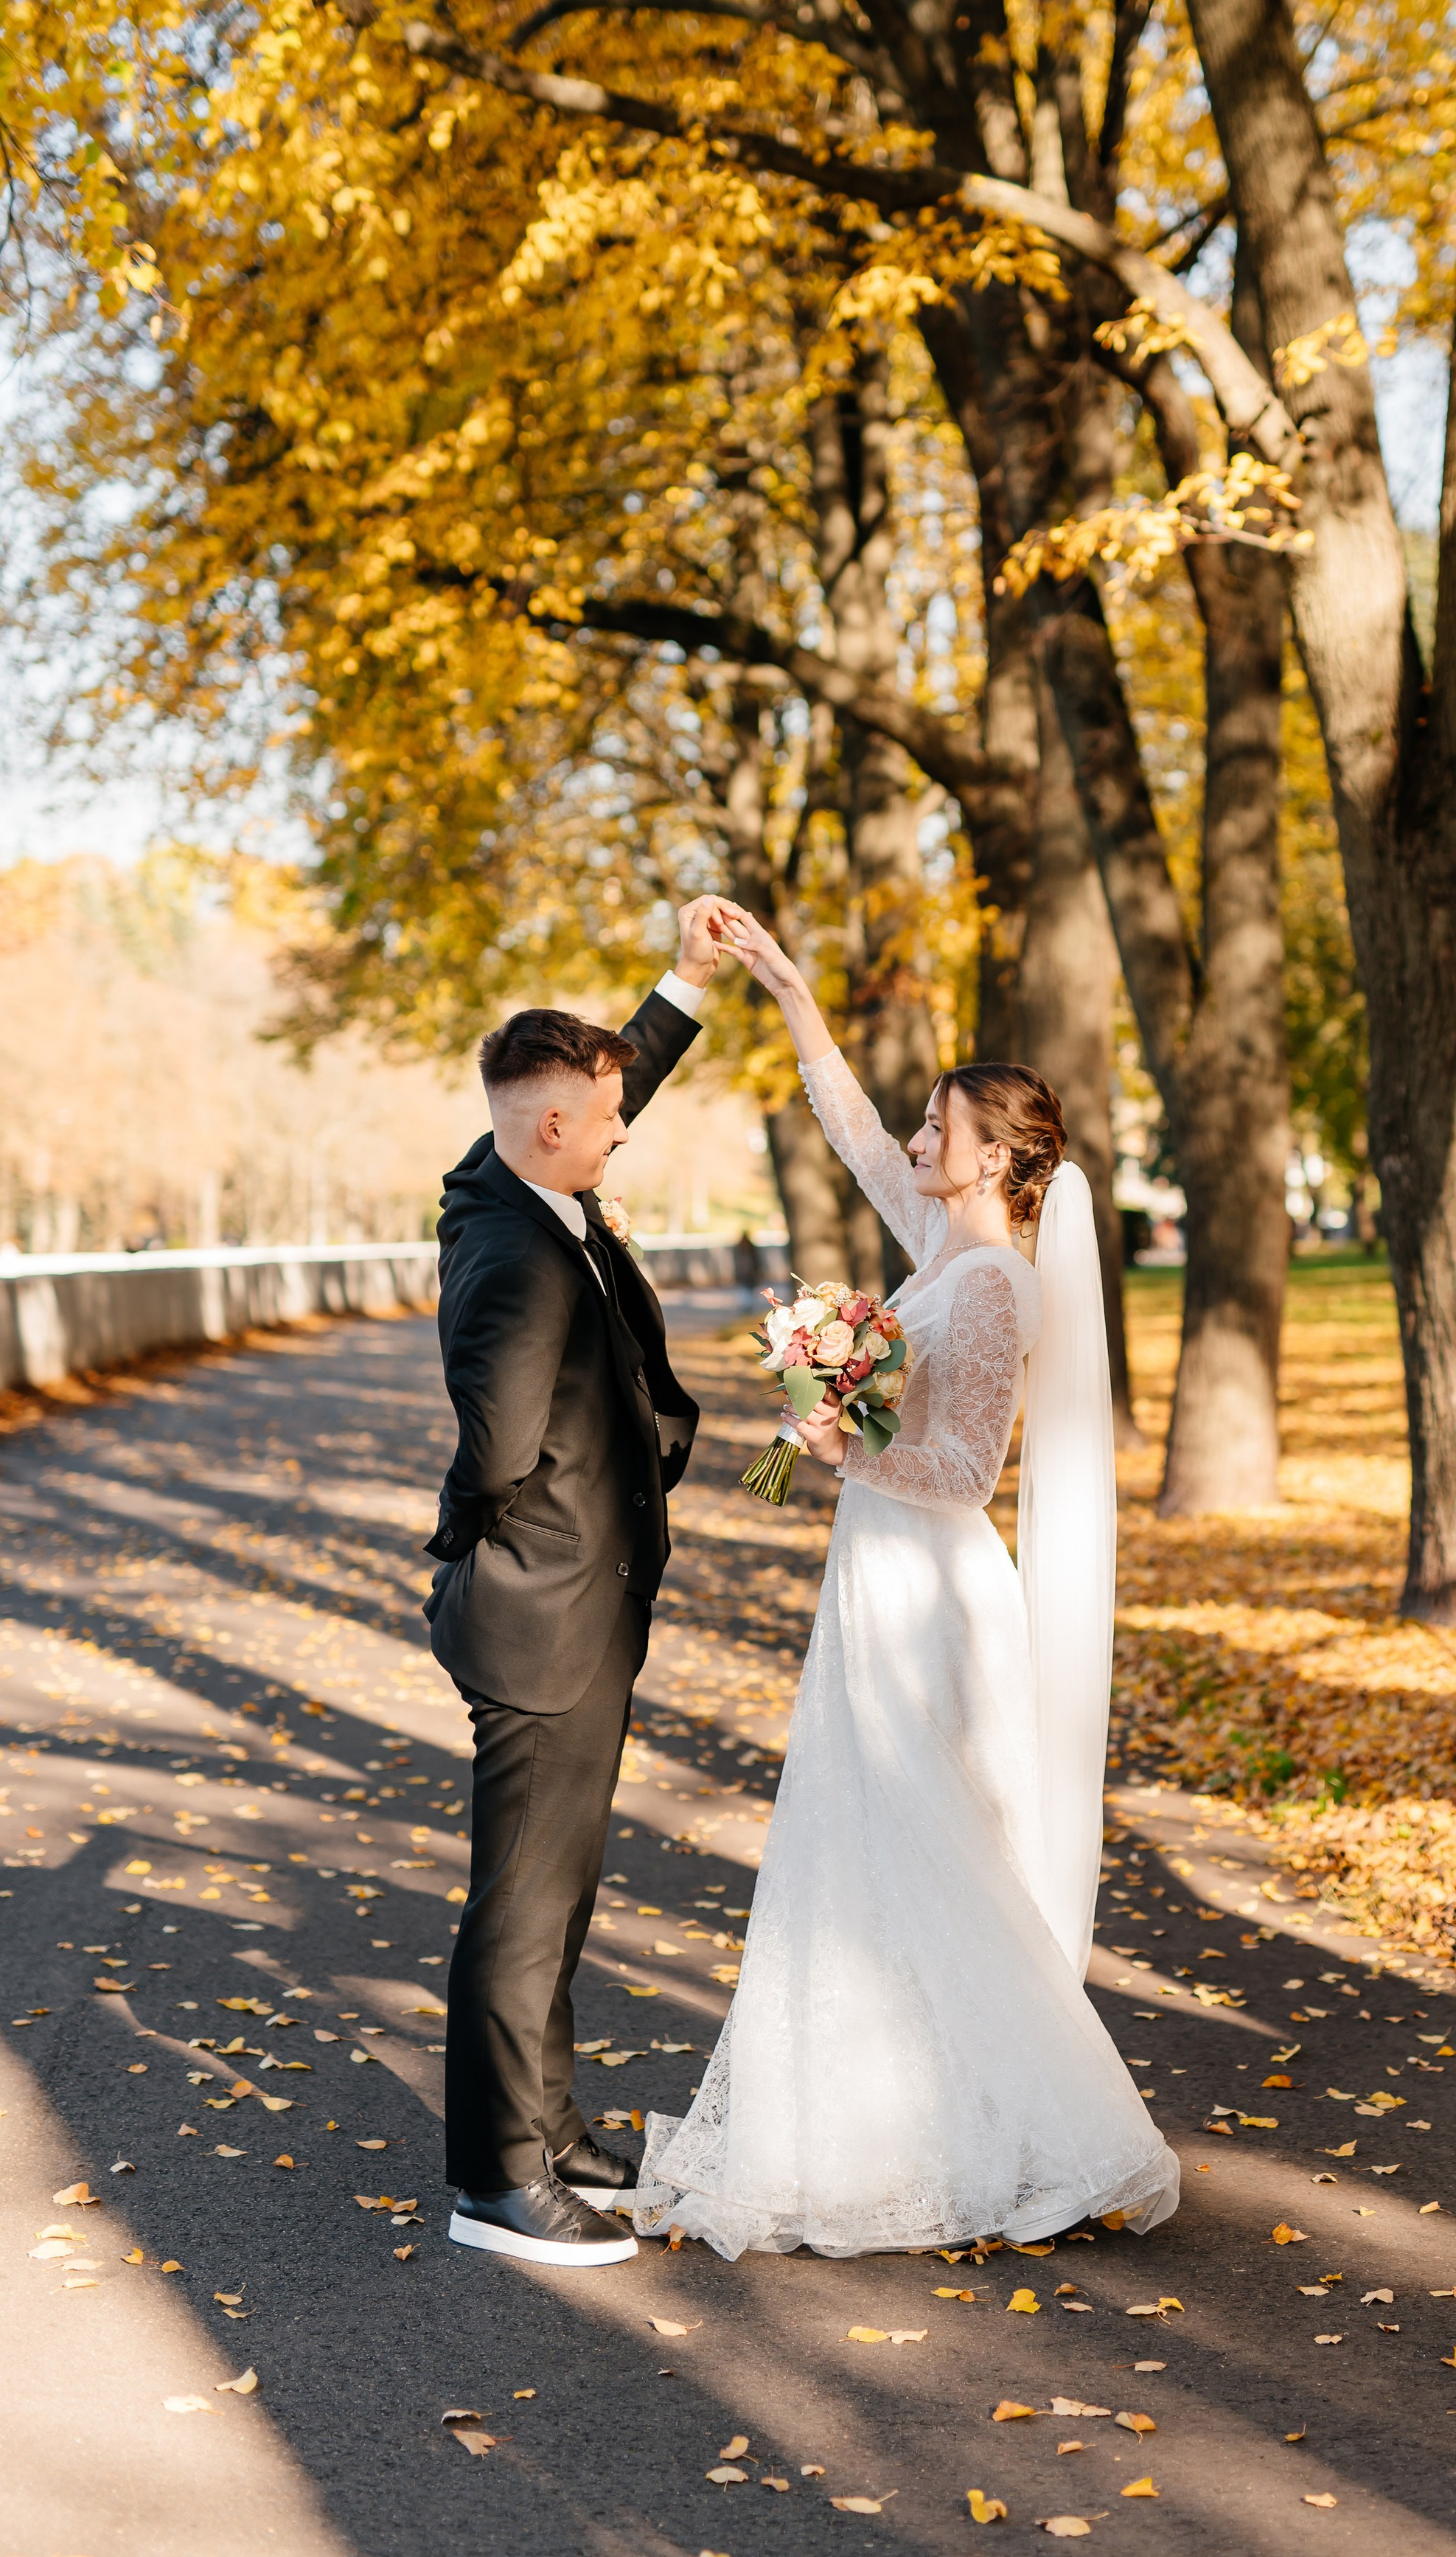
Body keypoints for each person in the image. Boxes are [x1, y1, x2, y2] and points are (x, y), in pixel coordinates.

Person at [633, 914, 1179, 2257]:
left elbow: (960, 1473)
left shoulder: (992, 1287)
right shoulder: (939, 1250)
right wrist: (787, 987)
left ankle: (1037, 2131)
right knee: (856, 1849)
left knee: (935, 1853)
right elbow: (856, 1133)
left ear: (996, 1156)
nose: (920, 1147)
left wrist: (837, 1442)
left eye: (942, 1132)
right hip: (873, 1576)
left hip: (931, 1592)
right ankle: (876, 2123)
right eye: (926, 1131)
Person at [425, 894, 735, 2268]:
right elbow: (490, 1449)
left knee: (564, 1890)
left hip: (582, 1608)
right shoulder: (509, 1251)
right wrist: (469, 1546)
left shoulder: (529, 1176)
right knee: (523, 1901)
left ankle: (551, 2130)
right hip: (539, 1616)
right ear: (555, 1127)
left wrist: (681, 986)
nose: (624, 1135)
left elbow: (612, 1084)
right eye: (607, 1118)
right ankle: (499, 2180)